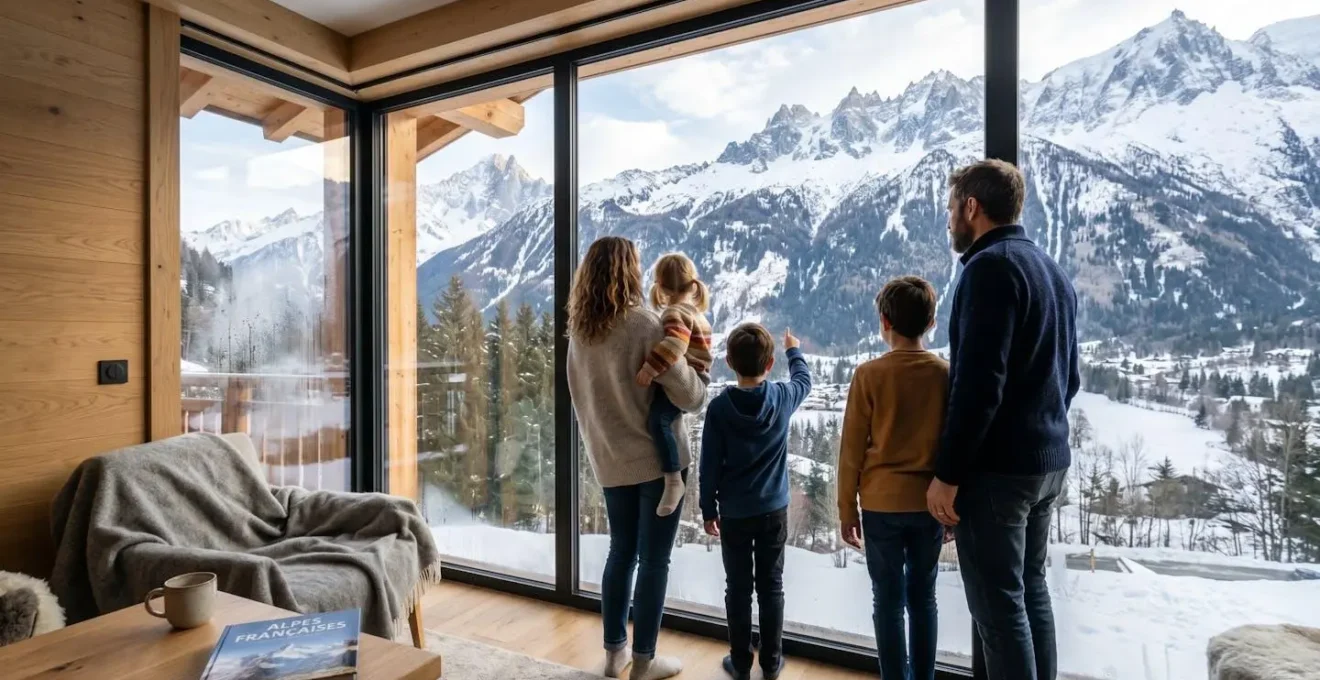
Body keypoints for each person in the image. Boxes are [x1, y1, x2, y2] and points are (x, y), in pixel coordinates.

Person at [925, 160, 1080, 680]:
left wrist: (947, 475)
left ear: (972, 207)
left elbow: (977, 387)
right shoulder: (1051, 271)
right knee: (1030, 591)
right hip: (1048, 463)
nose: (949, 221)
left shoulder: (988, 269)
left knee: (998, 610)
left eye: (951, 209)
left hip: (1000, 474)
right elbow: (1070, 378)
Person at [567, 236, 708, 680]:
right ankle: (644, 661)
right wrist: (695, 375)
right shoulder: (645, 324)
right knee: (654, 561)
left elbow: (582, 400)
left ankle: (614, 654)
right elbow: (690, 396)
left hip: (609, 459)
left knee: (620, 553)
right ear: (628, 272)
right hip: (657, 462)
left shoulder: (580, 334)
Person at [837, 276, 949, 680]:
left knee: (886, 600)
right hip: (929, 505)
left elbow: (851, 451)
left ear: (884, 322)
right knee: (924, 598)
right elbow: (953, 447)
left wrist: (847, 508)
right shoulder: (944, 373)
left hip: (881, 506)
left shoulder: (869, 374)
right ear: (931, 322)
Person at [700, 323, 812, 680]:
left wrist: (707, 509)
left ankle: (741, 661)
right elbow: (804, 381)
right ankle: (771, 660)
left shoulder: (719, 410)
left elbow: (709, 466)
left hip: (734, 513)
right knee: (771, 585)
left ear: (729, 361)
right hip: (773, 512)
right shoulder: (780, 398)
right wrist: (794, 350)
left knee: (738, 587)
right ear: (769, 363)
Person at [635, 253, 714, 516]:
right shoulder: (696, 313)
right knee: (661, 420)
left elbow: (675, 345)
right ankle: (673, 478)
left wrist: (650, 368)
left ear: (660, 287)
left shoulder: (674, 313)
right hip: (700, 376)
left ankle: (672, 480)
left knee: (658, 421)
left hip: (690, 379)